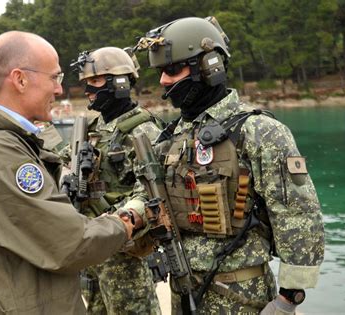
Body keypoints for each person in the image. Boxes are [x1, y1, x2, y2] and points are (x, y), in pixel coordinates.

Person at [136, 17, 325, 314]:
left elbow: (299, 216)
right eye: (161, 72)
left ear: (209, 65)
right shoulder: (171, 137)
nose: (163, 81)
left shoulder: (259, 131)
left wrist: (288, 300)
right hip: (183, 290)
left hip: (241, 296)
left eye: (172, 70)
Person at [0, 31, 133, 315]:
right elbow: (69, 242)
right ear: (20, 79)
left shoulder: (7, 142)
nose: (59, 90)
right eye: (54, 77)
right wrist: (125, 223)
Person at [68, 47, 162, 314]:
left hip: (125, 251)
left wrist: (120, 221)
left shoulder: (144, 130)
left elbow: (151, 191)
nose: (88, 90)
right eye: (86, 82)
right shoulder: (92, 130)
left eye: (95, 82)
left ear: (119, 82)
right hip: (92, 246)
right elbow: (62, 162)